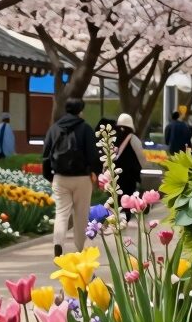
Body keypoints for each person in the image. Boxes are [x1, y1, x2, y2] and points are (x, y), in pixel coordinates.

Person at [42, 97, 100, 257]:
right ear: (81, 110)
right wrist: (95, 172)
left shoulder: (54, 129)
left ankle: (58, 245)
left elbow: (46, 155)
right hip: (82, 178)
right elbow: (93, 155)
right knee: (81, 215)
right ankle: (79, 249)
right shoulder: (86, 129)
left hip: (60, 177)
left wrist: (49, 175)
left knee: (61, 213)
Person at [114, 113, 148, 208]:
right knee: (128, 198)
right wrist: (143, 166)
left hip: (115, 174)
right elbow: (140, 155)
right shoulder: (133, 138)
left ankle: (116, 217)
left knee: (116, 197)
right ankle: (126, 216)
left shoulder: (113, 137)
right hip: (130, 174)